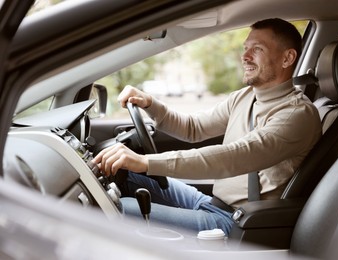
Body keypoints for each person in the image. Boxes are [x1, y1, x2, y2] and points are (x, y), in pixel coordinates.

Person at [92, 18, 322, 235]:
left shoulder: (297, 115)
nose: (245, 56)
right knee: (125, 174)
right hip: (210, 203)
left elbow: (232, 157)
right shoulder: (245, 97)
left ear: (287, 58)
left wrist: (146, 162)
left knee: (114, 209)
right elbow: (193, 128)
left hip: (237, 222)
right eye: (245, 48)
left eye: (257, 49)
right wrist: (150, 104)